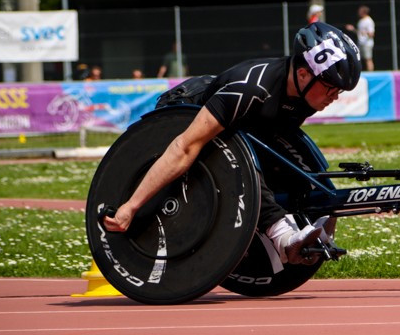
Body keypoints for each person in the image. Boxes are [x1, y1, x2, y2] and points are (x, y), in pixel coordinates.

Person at [103, 22, 362, 265]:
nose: (335, 96)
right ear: (304, 74)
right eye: (331, 88)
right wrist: (130, 207)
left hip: (243, 125)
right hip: (187, 113)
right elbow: (184, 147)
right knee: (241, 159)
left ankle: (308, 223)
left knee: (307, 174)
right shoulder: (251, 89)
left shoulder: (307, 95)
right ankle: (282, 236)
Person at [345, 5, 375, 72]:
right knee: (358, 58)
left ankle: (371, 73)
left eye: (360, 11)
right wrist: (353, 29)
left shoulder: (369, 21)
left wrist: (361, 32)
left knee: (368, 59)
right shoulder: (361, 21)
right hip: (360, 42)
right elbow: (359, 33)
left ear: (364, 12)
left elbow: (371, 34)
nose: (358, 13)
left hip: (367, 43)